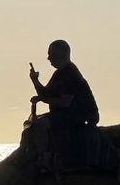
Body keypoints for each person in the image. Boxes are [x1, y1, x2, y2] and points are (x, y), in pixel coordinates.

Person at [27, 40, 99, 169]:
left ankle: (45, 159)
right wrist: (35, 80)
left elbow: (65, 102)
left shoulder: (71, 74)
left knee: (41, 124)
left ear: (60, 54)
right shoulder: (59, 74)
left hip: (77, 117)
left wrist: (43, 100)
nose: (48, 58)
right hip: (64, 114)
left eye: (51, 54)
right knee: (33, 122)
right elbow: (47, 94)